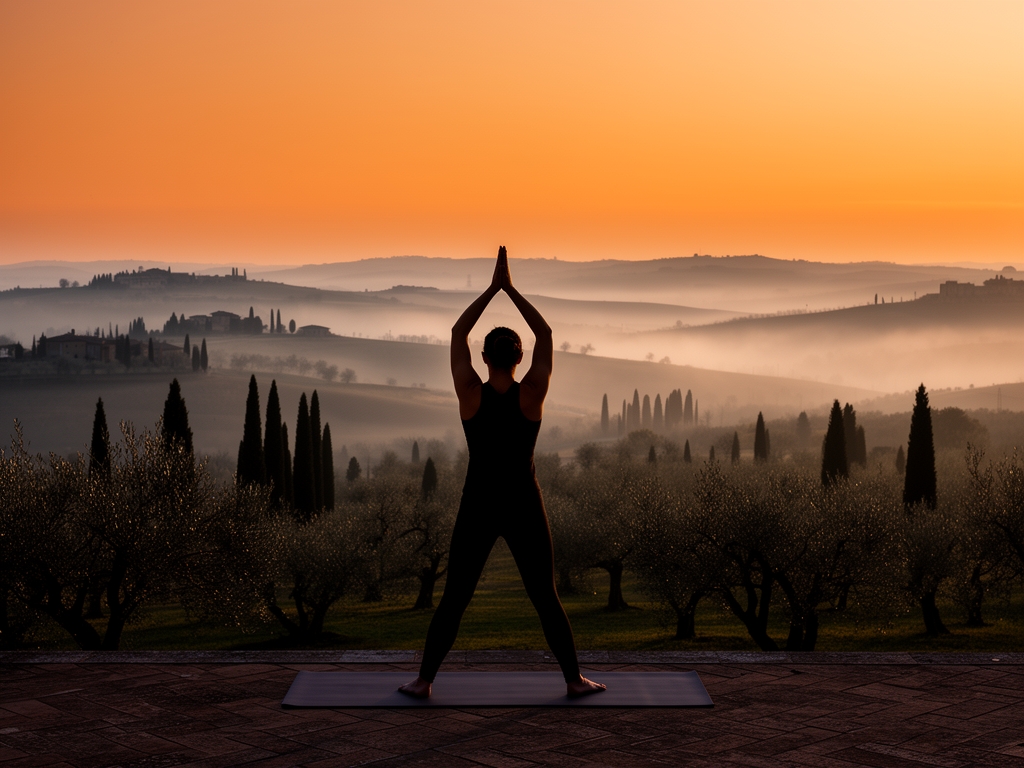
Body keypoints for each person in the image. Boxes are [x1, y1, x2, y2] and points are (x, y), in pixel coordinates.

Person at [400, 247, 605, 700]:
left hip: (478, 503)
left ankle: (423, 681)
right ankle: (574, 680)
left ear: (485, 358)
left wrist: (491, 289)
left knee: (455, 597)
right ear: (517, 358)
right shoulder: (531, 395)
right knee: (544, 596)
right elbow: (546, 333)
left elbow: (457, 331)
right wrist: (511, 290)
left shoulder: (470, 394)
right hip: (523, 504)